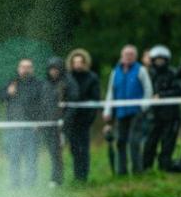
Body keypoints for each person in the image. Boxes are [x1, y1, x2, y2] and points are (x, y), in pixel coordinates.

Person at [103, 45, 153, 175]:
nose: (128, 57)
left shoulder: (140, 70)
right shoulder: (115, 72)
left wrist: (143, 107)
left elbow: (148, 90)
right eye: (126, 54)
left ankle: (137, 171)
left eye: (131, 54)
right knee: (120, 141)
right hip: (120, 112)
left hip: (136, 112)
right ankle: (122, 172)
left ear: (135, 57)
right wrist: (107, 111)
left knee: (134, 141)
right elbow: (111, 92)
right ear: (122, 56)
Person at [0, 58, 44, 188]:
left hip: (31, 128)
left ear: (32, 69)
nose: (25, 69)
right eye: (23, 67)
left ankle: (30, 184)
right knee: (14, 157)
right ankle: (14, 184)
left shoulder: (38, 84)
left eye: (28, 67)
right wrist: (8, 92)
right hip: (13, 127)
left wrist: (38, 122)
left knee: (31, 157)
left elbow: (43, 105)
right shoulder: (12, 82)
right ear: (18, 69)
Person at [39, 57, 78, 187]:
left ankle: (70, 178)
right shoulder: (46, 84)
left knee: (66, 151)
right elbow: (43, 104)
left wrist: (65, 120)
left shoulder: (68, 82)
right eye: (51, 69)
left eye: (56, 69)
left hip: (65, 124)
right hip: (49, 124)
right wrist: (41, 121)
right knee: (53, 152)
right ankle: (55, 178)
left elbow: (72, 103)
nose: (53, 72)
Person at [143, 45, 181, 172]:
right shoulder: (149, 74)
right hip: (154, 115)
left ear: (166, 60)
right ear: (153, 60)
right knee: (150, 141)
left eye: (162, 59)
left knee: (168, 142)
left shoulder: (173, 73)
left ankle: (164, 167)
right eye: (157, 59)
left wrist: (162, 95)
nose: (159, 62)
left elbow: (179, 90)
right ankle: (146, 167)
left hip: (171, 115)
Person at [65, 48, 100, 182]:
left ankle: (83, 177)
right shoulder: (68, 78)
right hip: (72, 119)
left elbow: (95, 99)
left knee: (83, 149)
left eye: (80, 62)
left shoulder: (92, 77)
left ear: (85, 62)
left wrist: (89, 117)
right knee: (74, 149)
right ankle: (76, 176)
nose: (78, 64)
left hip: (84, 119)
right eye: (75, 62)